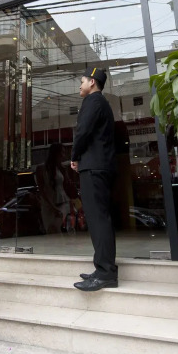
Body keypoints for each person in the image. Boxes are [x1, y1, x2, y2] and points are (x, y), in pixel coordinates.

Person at [71, 67, 117, 291]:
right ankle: (102, 269)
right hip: (100, 166)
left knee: (98, 219)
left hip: (94, 167)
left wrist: (74, 156)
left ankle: (106, 273)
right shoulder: (101, 103)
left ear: (92, 82)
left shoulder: (93, 101)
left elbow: (83, 131)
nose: (80, 86)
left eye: (82, 81)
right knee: (99, 218)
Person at [37, 143, 73, 234]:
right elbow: (41, 190)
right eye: (62, 152)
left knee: (54, 228)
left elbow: (67, 187)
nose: (63, 155)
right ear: (56, 153)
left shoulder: (62, 168)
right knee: (50, 230)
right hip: (48, 205)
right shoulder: (41, 169)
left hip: (62, 203)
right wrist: (52, 207)